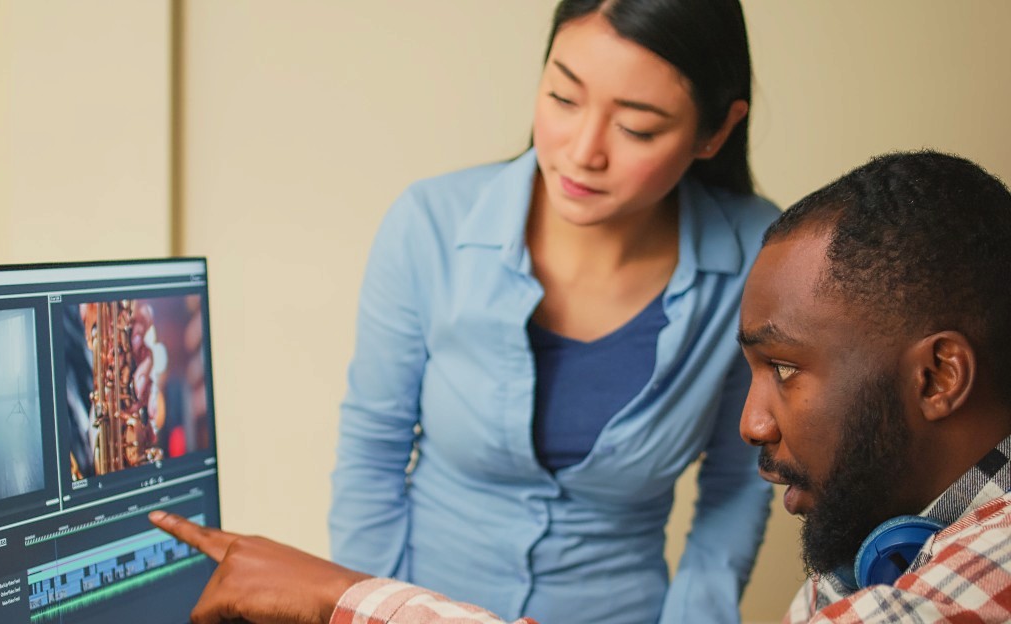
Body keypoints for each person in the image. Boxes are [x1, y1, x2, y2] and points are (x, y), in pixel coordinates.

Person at [150, 150, 1011, 623]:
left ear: (940, 376)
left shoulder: (986, 571)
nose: (753, 420)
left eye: (783, 372)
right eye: (563, 94)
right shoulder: (880, 521)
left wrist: (343, 597)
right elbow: (373, 451)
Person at [329, 0, 775, 622]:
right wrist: (375, 614)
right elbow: (371, 455)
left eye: (637, 128)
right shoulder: (430, 224)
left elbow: (738, 485)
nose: (583, 151)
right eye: (563, 99)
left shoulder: (762, 257)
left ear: (716, 132)